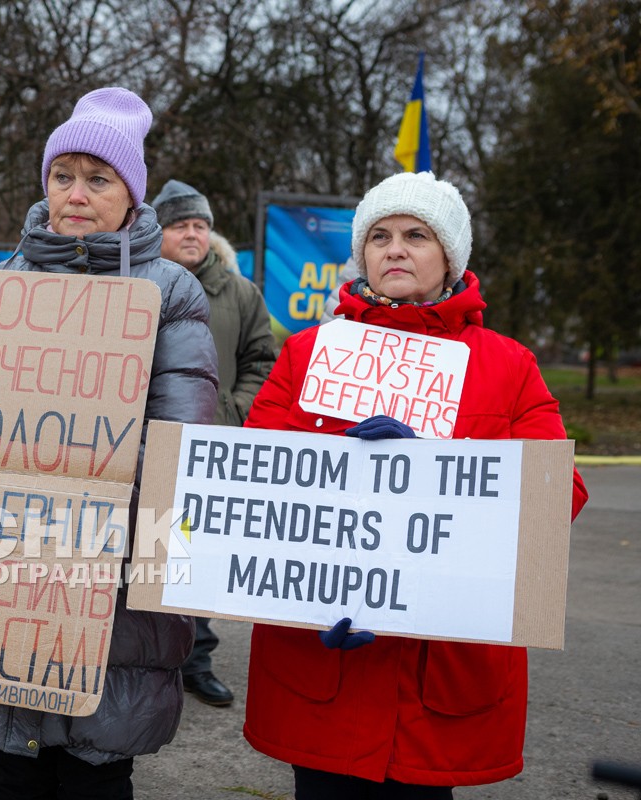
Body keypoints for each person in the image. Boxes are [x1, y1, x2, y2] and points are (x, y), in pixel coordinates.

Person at [241, 170, 590, 798]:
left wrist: (436, 467)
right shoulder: (307, 355)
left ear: (450, 256)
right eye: (378, 235)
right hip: (323, 656)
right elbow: (256, 486)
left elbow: (556, 493)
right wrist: (307, 593)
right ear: (361, 255)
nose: (394, 248)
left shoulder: (509, 366)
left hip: (439, 675)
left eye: (416, 235)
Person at [0, 87, 218, 799]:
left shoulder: (171, 291)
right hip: (11, 565)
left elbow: (183, 434)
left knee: (97, 765)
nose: (77, 194)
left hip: (115, 573)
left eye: (99, 179)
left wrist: (100, 497)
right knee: (15, 767)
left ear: (132, 194)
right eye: (64, 176)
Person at [151, 178, 277, 708]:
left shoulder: (241, 293)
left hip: (215, 449)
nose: (192, 234)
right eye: (180, 224)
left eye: (200, 225)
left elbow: (263, 363)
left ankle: (195, 662)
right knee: (150, 552)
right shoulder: (138, 283)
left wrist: (229, 410)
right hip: (149, 445)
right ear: (158, 231)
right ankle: (150, 665)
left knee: (197, 557)